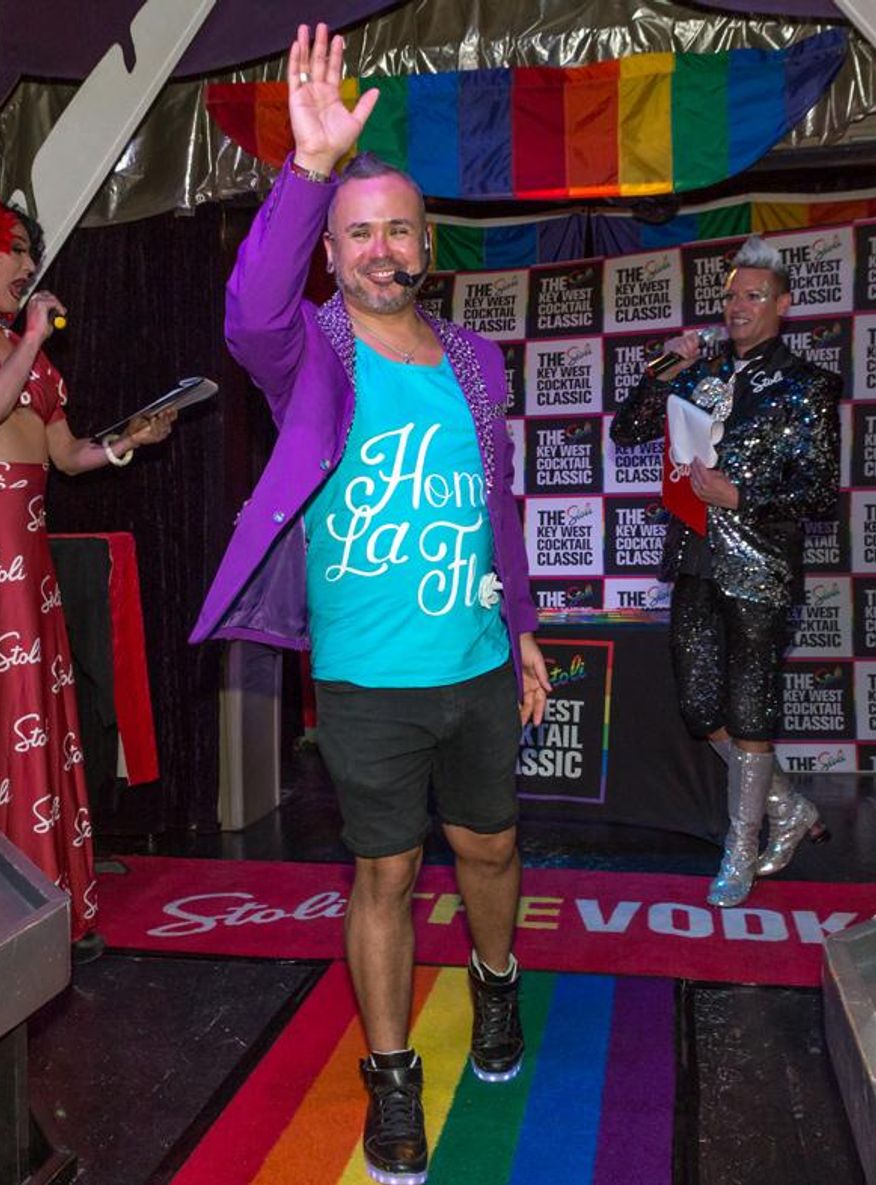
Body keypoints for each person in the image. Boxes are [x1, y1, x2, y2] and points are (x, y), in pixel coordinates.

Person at [190, 22, 549, 1185]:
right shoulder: (312, 354)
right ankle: (391, 1075)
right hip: (363, 680)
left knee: (489, 853)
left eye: (397, 226)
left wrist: (528, 630)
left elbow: (498, 508)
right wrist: (305, 171)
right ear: (330, 254)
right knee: (385, 876)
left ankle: (496, 988)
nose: (381, 247)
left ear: (426, 241)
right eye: (358, 232)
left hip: (478, 663)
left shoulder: (475, 363)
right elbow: (246, 311)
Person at [0, 195, 175, 961]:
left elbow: (64, 454)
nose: (28, 268)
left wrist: (128, 441)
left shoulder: (30, 355)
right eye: (16, 251)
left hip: (27, 546)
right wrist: (24, 341)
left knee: (39, 718)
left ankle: (51, 904)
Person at [611, 234, 840, 909]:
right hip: (694, 559)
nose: (736, 305)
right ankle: (790, 807)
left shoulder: (807, 385)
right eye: (731, 294)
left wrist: (743, 498)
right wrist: (661, 369)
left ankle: (739, 851)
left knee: (749, 710)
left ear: (783, 304)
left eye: (752, 295)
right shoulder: (701, 371)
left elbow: (821, 491)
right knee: (698, 706)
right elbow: (627, 431)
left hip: (761, 567)